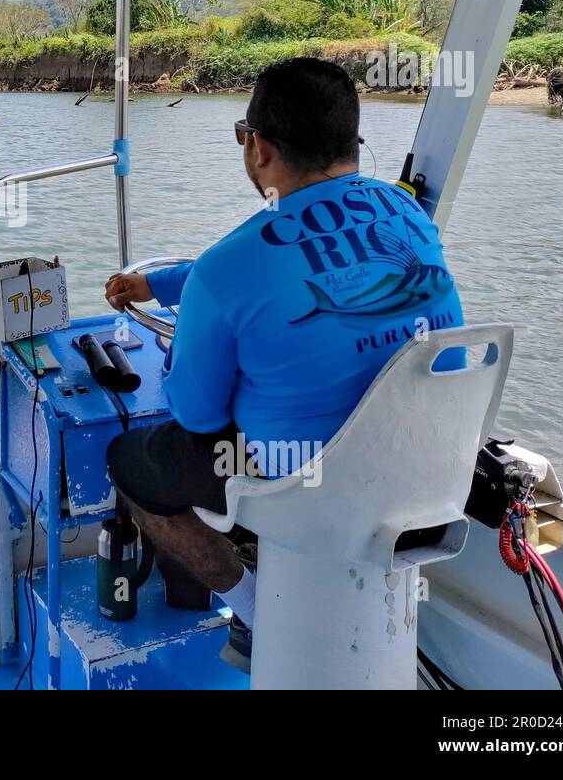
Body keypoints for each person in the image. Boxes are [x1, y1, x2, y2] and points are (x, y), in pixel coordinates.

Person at [103, 58, 463, 671]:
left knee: (133, 463)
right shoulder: (407, 215)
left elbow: (196, 413)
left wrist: (184, 345)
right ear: (350, 141)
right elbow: (307, 270)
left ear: (259, 146)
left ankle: (252, 608)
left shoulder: (229, 265)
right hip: (423, 459)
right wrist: (158, 284)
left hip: (306, 486)